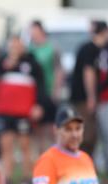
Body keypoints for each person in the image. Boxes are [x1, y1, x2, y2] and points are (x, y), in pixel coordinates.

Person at [0, 35, 45, 184]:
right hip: (4, 111)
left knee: (25, 145)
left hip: (24, 112)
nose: (15, 48)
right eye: (12, 45)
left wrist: (38, 105)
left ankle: (27, 178)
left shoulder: (32, 63)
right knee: (5, 145)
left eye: (18, 45)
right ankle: (7, 178)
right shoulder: (1, 62)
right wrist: (4, 65)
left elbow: (41, 87)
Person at [70, 20, 108, 173]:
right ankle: (82, 165)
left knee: (92, 133)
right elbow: (88, 73)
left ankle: (87, 165)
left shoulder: (96, 49)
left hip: (85, 98)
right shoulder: (90, 49)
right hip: (82, 98)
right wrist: (92, 97)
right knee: (87, 134)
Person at [28, 20, 64, 151]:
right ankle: (41, 156)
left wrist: (56, 91)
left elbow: (59, 70)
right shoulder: (29, 49)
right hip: (35, 94)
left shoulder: (52, 48)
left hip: (49, 92)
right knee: (37, 129)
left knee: (51, 127)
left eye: (34, 31)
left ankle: (55, 153)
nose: (32, 34)